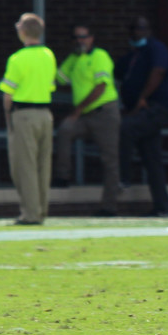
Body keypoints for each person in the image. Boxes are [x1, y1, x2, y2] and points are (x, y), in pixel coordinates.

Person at [52, 24, 121, 216]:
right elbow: (57, 77)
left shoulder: (100, 56)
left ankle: (109, 206)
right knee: (65, 130)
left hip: (104, 114)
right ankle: (62, 177)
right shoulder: (74, 58)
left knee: (110, 161)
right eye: (76, 37)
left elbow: (101, 87)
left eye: (83, 37)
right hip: (85, 115)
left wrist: (78, 109)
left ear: (92, 38)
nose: (80, 40)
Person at [0, 13, 56, 225]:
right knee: (43, 165)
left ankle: (30, 213)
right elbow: (50, 84)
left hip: (24, 115)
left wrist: (8, 116)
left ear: (23, 32)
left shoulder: (17, 58)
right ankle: (41, 211)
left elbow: (8, 93)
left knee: (25, 166)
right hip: (45, 114)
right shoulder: (49, 55)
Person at [116, 16, 168, 217]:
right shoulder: (134, 54)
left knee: (124, 129)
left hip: (155, 108)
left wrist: (142, 98)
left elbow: (158, 72)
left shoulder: (156, 48)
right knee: (152, 158)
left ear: (148, 30)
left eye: (141, 29)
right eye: (134, 29)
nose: (137, 33)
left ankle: (123, 177)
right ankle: (162, 206)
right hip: (141, 110)